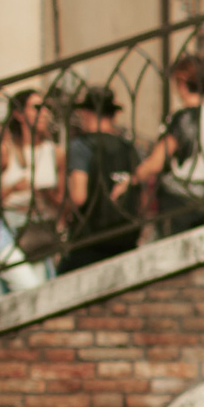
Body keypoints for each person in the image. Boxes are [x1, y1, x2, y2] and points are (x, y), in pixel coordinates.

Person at [130, 54, 204, 235]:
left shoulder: (182, 118)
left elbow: (157, 162)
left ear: (182, 83)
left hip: (178, 202)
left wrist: (132, 180)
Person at [61, 87, 146, 272]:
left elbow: (79, 196)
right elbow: (142, 194)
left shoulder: (81, 146)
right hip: (125, 237)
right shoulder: (129, 148)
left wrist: (61, 211)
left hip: (90, 240)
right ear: (113, 114)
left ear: (86, 112)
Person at [0, 88, 58, 292]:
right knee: (30, 288)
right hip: (8, 228)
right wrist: (13, 188)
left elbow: (62, 200)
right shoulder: (5, 151)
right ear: (18, 113)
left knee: (43, 292)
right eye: (36, 107)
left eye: (46, 108)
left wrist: (46, 193)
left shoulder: (54, 152)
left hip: (38, 229)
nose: (44, 113)